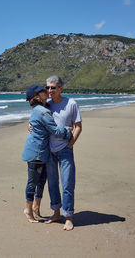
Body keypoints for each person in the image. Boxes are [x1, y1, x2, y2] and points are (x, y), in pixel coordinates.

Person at [21, 84, 72, 223]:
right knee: (33, 182)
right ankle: (28, 210)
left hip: (42, 151)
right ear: (37, 96)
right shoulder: (42, 112)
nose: (47, 91)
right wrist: (68, 130)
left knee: (41, 181)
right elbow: (55, 131)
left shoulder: (42, 108)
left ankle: (36, 208)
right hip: (35, 151)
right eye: (43, 91)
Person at [44, 75, 82, 231]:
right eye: (47, 87)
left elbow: (78, 126)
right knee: (52, 183)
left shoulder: (71, 103)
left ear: (60, 88)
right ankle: (56, 213)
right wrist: (30, 127)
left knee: (67, 184)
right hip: (50, 150)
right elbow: (37, 122)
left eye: (53, 87)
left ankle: (68, 217)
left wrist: (70, 144)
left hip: (65, 150)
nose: (50, 90)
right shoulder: (46, 105)